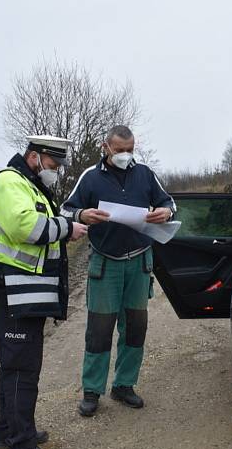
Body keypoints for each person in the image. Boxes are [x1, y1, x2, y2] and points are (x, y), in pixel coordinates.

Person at [0, 135, 87, 449]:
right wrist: (68, 228)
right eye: (54, 164)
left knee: (15, 363)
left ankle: (6, 430)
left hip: (25, 288)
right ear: (35, 157)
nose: (56, 171)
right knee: (22, 367)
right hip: (13, 289)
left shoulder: (30, 185)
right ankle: (21, 443)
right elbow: (25, 226)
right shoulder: (10, 182)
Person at [60, 125, 176, 417]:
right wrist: (82, 214)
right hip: (105, 261)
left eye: (130, 149)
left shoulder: (145, 174)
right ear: (106, 147)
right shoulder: (90, 177)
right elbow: (65, 210)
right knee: (99, 329)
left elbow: (168, 203)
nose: (126, 155)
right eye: (120, 149)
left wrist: (166, 213)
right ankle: (91, 390)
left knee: (135, 327)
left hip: (139, 261)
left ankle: (124, 384)